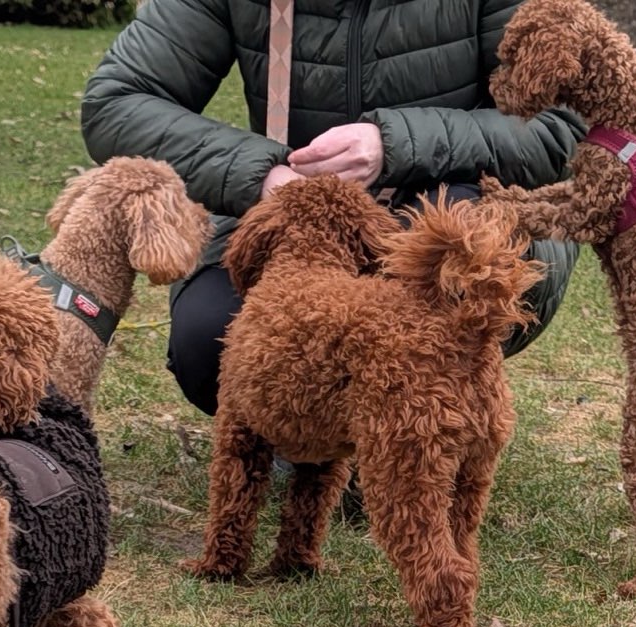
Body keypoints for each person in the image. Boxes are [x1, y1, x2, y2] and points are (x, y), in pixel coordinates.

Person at [81, 0, 583, 419]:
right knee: (210, 343)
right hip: (299, 220)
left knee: (452, 285)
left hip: (461, 209)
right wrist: (264, 176)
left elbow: (562, 127)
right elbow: (117, 102)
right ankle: (314, 432)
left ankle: (423, 428)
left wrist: (397, 142)